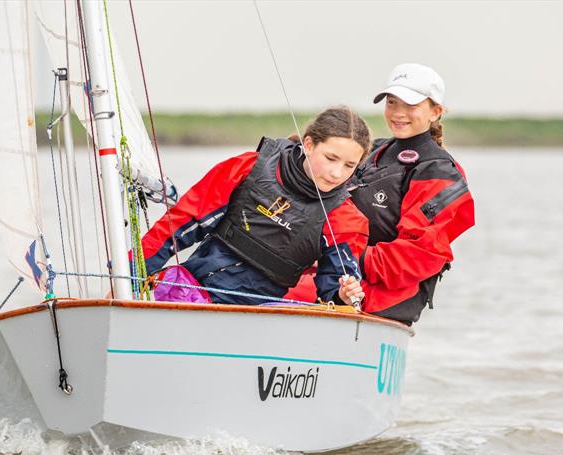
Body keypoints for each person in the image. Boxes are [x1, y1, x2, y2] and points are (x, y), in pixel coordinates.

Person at [141, 107, 370, 307]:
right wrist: (133, 269)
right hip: (192, 292)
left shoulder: (346, 218)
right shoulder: (247, 168)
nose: (337, 173)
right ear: (308, 144)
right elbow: (179, 223)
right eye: (331, 158)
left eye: (349, 165)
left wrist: (343, 295)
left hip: (261, 313)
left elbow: (334, 286)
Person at [349, 63, 475, 324]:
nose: (398, 113)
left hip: (384, 299)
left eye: (410, 105)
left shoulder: (438, 171)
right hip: (344, 280)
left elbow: (417, 254)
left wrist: (342, 258)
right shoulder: (374, 150)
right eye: (392, 103)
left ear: (435, 112)